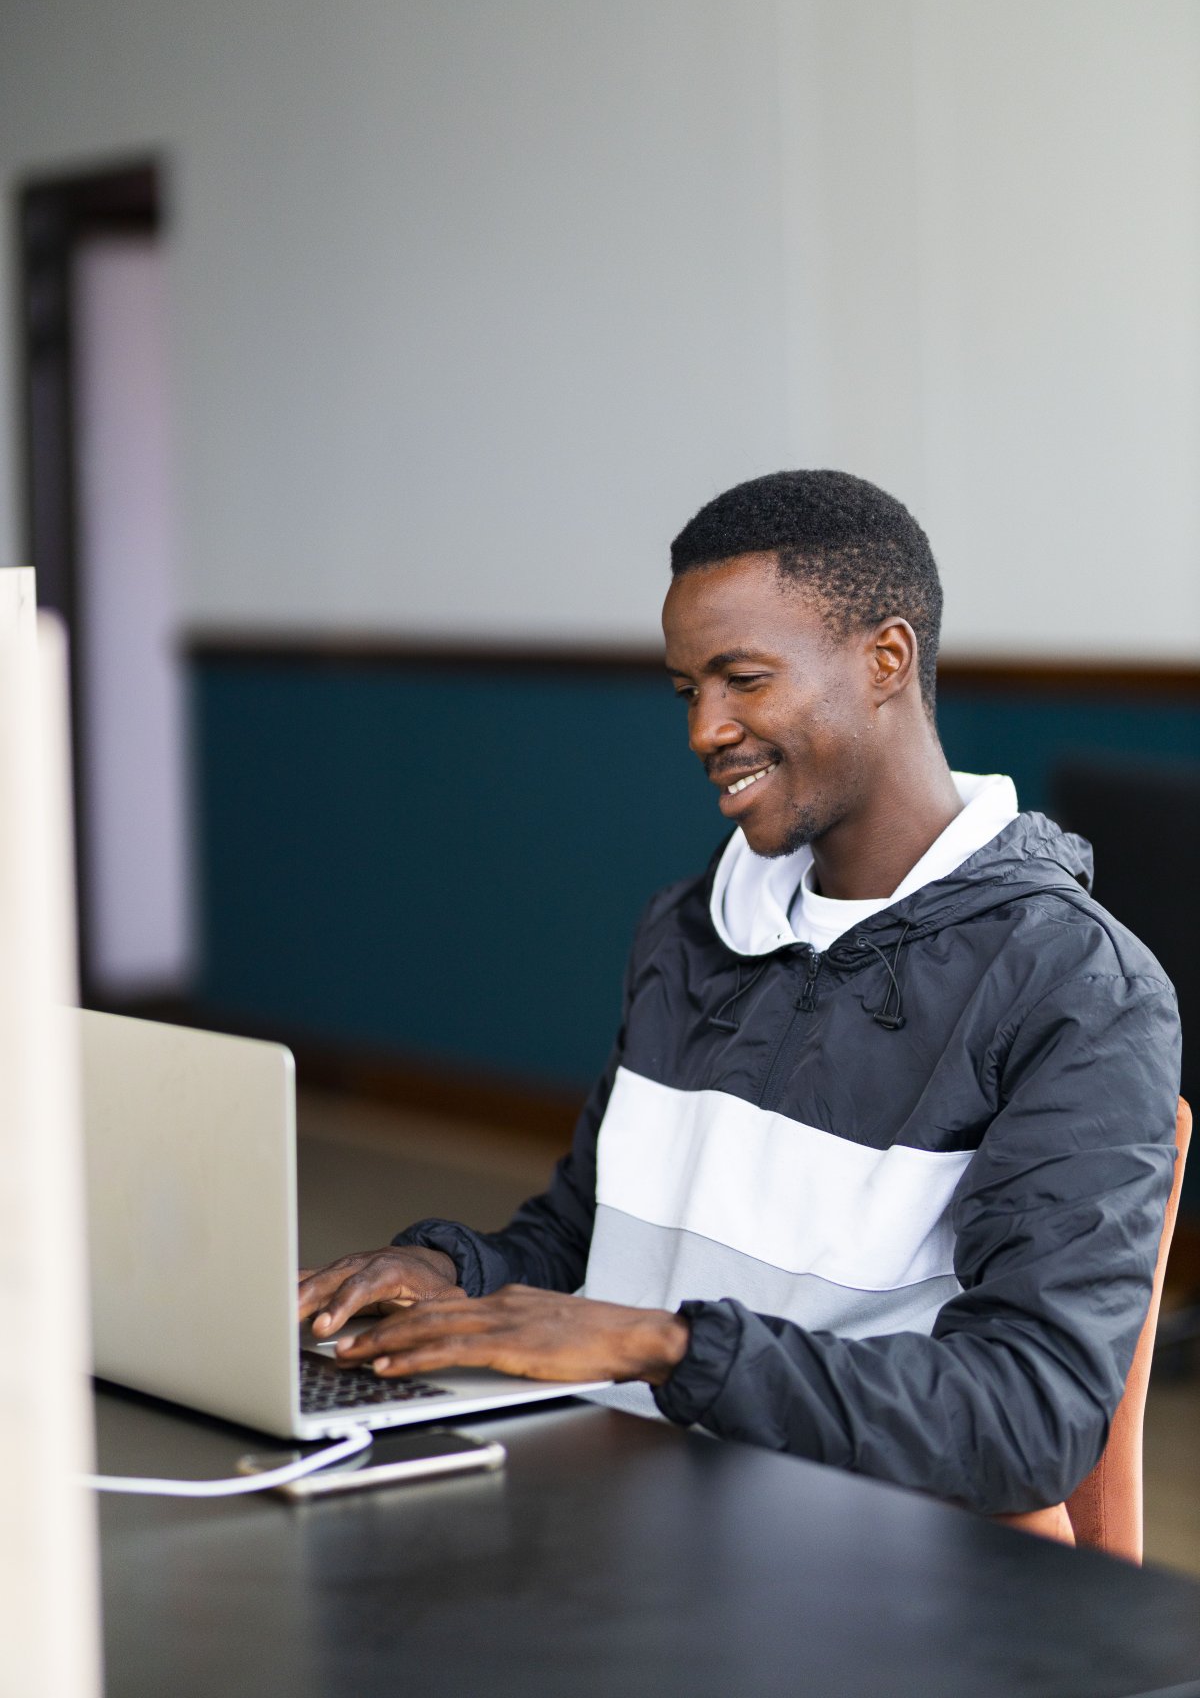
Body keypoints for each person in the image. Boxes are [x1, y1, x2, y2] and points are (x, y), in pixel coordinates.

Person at [298, 470, 1180, 1514]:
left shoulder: (1072, 983)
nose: (703, 730)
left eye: (744, 680)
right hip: (628, 1508)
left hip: (859, 1563)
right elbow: (585, 1234)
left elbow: (1032, 1420)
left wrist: (669, 1347)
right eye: (688, 690)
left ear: (886, 659)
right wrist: (455, 1273)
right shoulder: (689, 929)